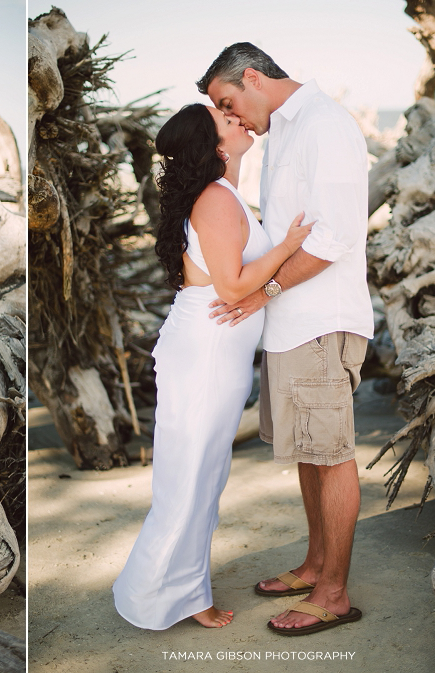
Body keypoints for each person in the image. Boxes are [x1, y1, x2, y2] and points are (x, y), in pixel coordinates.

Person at [112, 103, 312, 630]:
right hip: (206, 353)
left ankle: (171, 589)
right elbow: (232, 286)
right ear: (215, 146)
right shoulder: (217, 199)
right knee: (193, 475)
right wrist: (288, 246)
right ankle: (172, 595)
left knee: (199, 473)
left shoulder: (222, 196)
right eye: (225, 119)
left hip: (209, 350)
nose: (238, 119)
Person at [198, 42, 374, 636]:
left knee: (330, 453)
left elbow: (336, 234)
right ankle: (315, 563)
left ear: (253, 77)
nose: (233, 118)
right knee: (307, 449)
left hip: (322, 321)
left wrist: (263, 294)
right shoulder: (283, 134)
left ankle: (333, 594)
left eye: (229, 103)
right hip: (291, 325)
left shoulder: (324, 124)